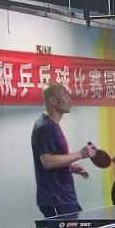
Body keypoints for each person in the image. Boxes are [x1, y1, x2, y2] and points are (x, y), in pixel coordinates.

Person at [31, 83, 95, 218]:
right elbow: (47, 161)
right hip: (56, 198)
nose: (70, 99)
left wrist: (69, 167)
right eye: (66, 94)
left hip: (63, 196)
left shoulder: (51, 125)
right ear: (53, 101)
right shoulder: (45, 127)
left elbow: (52, 159)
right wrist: (80, 154)